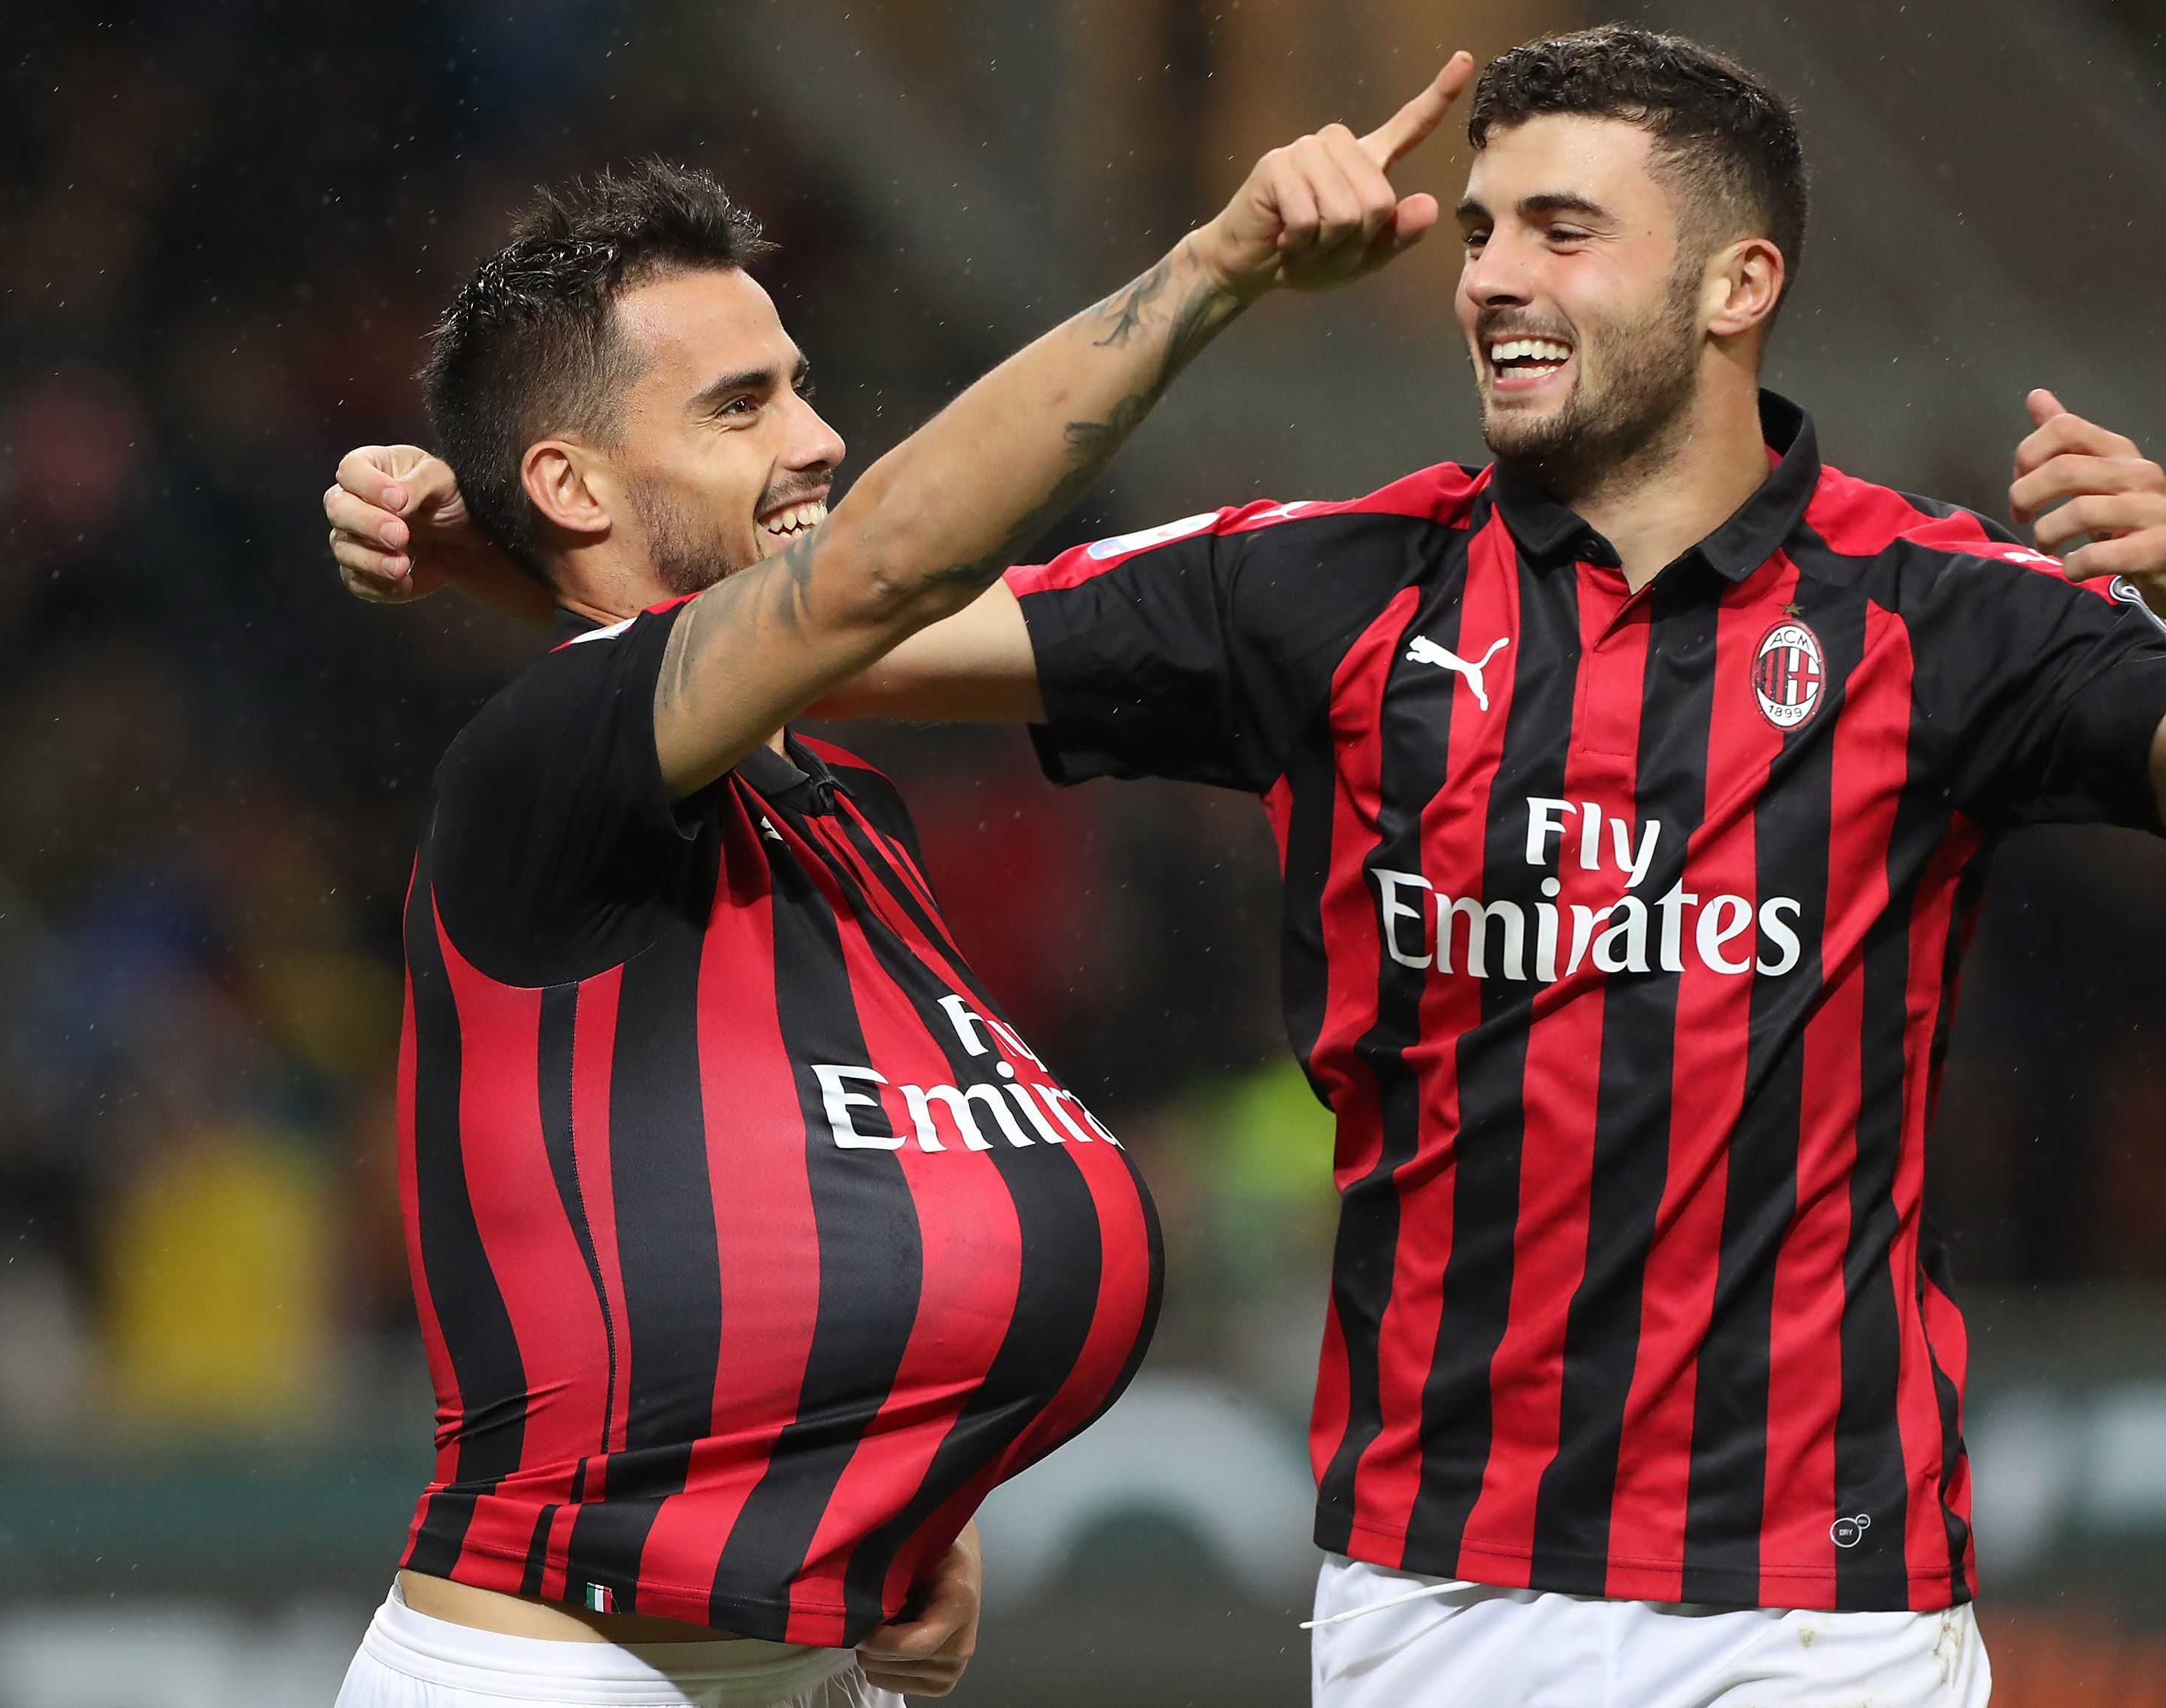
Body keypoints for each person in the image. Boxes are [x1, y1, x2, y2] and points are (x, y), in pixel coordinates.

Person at [332, 28, 2166, 1708]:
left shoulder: (1947, 617)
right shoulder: (1332, 583)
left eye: (1561, 230)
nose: (1495, 277)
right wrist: (524, 551)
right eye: (1480, 232)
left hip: (1810, 1604)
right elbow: (861, 616)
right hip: (1425, 1599)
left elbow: (824, 621)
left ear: (1738, 285)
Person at [317, 58, 1479, 1708]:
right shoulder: (538, 763)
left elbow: (857, 1200)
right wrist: (1214, 267)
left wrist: (901, 1496)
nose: (820, 436)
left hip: (799, 1666)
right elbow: (870, 572)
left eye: (798, 385)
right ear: (572, 484)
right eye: (741, 408)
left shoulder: (832, 796)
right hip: (560, 1670)